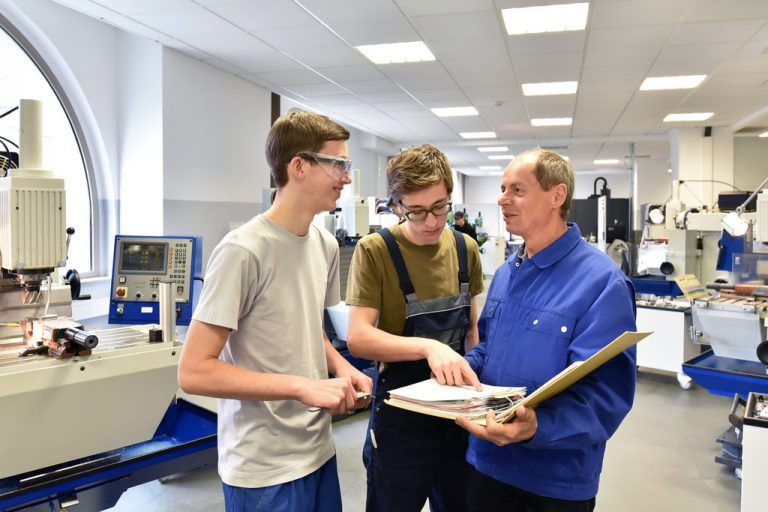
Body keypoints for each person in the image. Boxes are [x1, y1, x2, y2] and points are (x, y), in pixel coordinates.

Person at [178, 110, 373, 512]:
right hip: (263, 468)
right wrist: (301, 386)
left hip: (318, 451)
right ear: (299, 166)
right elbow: (194, 370)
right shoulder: (242, 251)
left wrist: (341, 367)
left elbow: (306, 330)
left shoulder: (325, 245)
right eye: (339, 164)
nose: (347, 178)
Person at [457, 149, 636, 512]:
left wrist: (538, 426)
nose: (502, 199)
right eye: (502, 188)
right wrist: (462, 368)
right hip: (486, 464)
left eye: (517, 190)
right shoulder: (507, 273)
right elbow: (491, 348)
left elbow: (606, 396)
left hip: (554, 482)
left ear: (557, 196)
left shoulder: (603, 284)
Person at [345, 144, 485, 512]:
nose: (432, 222)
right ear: (395, 207)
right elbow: (358, 336)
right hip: (400, 422)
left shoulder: (464, 247)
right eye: (417, 212)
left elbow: (474, 331)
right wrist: (428, 347)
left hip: (458, 415)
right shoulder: (375, 251)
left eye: (441, 207)